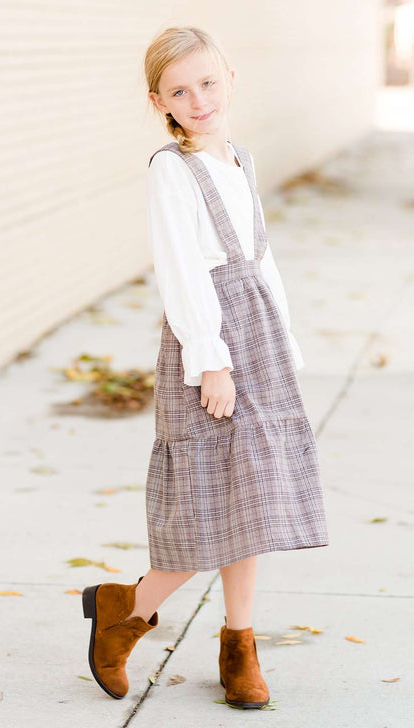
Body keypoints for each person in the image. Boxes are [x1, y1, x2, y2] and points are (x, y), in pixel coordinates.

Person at [82, 25, 329, 710]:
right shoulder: (173, 169)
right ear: (158, 100)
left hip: (258, 337)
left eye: (207, 82)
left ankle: (238, 644)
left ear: (228, 78)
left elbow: (258, 257)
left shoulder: (238, 159)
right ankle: (124, 608)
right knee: (203, 500)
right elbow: (182, 273)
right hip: (209, 344)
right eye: (180, 90)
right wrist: (210, 363)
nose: (198, 99)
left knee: (250, 495)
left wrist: (285, 345)